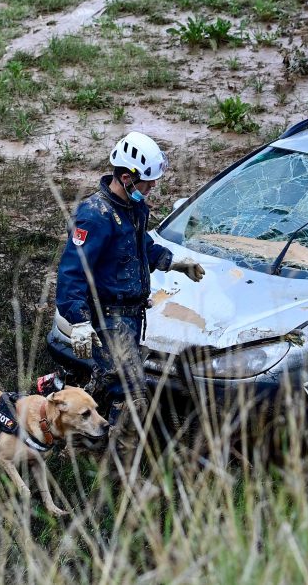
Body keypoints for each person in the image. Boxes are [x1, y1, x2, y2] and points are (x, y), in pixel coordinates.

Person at [41, 132, 205, 451]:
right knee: (132, 389)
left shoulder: (134, 209)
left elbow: (139, 245)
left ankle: (58, 396)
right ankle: (110, 454)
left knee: (108, 378)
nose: (152, 187)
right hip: (107, 316)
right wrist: (79, 321)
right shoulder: (94, 215)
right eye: (147, 181)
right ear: (127, 177)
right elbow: (73, 272)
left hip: (132, 315)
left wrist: (173, 262)